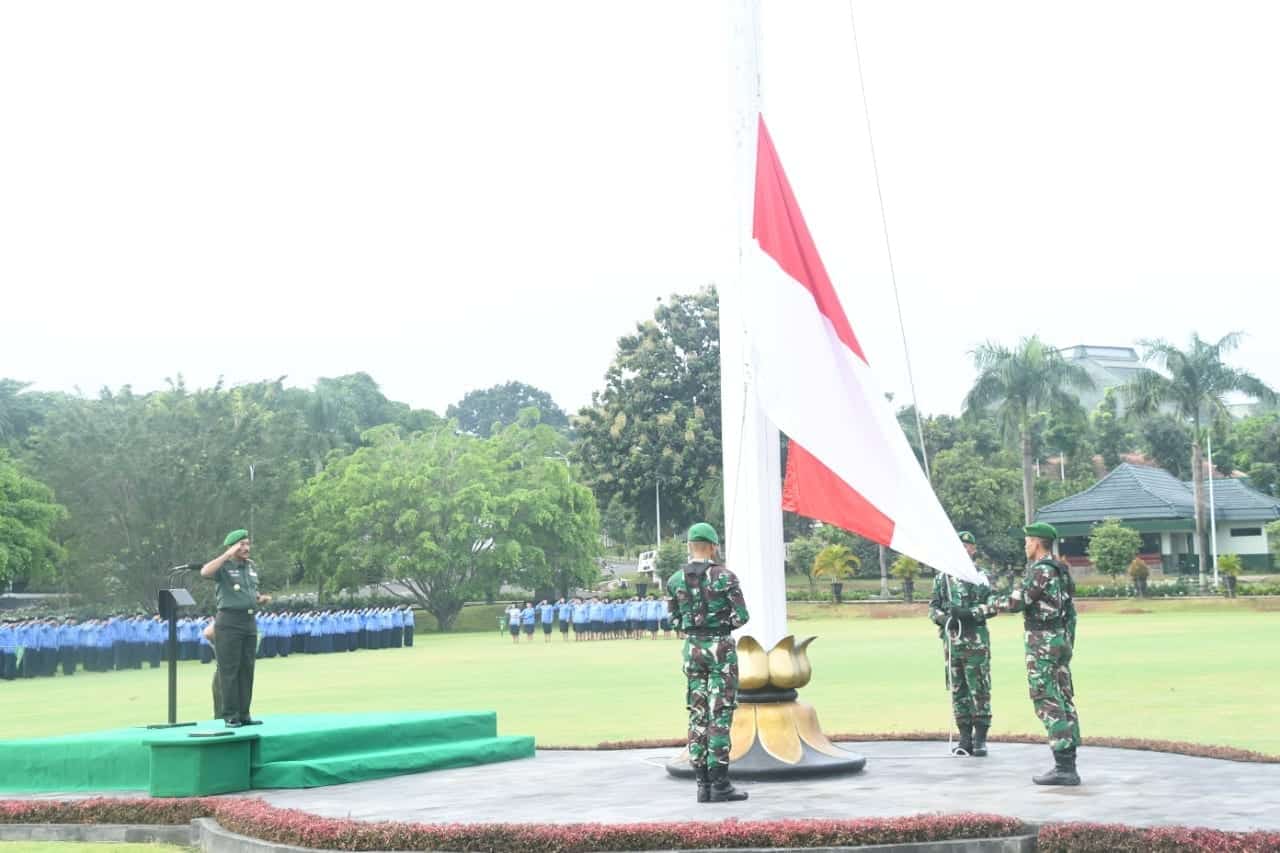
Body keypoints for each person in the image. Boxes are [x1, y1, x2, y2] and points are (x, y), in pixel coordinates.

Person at [978, 522, 1081, 786]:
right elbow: (1071, 612)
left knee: (1045, 697)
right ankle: (1068, 762)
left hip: (1042, 642)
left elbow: (1017, 602)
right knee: (1063, 696)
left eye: (1027, 542)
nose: (1025, 546)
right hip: (1059, 638)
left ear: (1036, 542)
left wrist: (985, 606)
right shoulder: (1061, 570)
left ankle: (1064, 766)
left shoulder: (1041, 571)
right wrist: (1067, 642)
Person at [666, 522, 750, 804]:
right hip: (719, 649)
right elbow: (742, 617)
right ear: (714, 546)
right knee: (720, 714)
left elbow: (674, 620)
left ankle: (702, 784)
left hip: (692, 649)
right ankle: (720, 784)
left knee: (697, 713)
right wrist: (719, 624)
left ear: (690, 545)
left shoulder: (675, 579)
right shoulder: (725, 577)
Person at [929, 531, 996, 757]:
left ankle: (980, 739)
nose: (963, 550)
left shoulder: (980, 576)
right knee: (958, 689)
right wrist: (942, 618)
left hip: (975, 641)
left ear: (973, 550)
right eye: (959, 546)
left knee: (979, 689)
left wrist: (969, 613)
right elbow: (933, 606)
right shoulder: (942, 578)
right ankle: (964, 737)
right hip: (952, 641)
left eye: (967, 546)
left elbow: (994, 605)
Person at [201, 528, 271, 728]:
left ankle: (244, 713)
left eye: (248, 544)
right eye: (241, 544)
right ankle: (230, 714)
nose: (246, 548)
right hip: (229, 621)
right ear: (232, 546)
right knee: (229, 670)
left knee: (246, 669)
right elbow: (205, 572)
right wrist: (226, 555)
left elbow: (250, 593)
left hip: (249, 621)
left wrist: (259, 599)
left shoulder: (250, 567)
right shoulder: (223, 566)